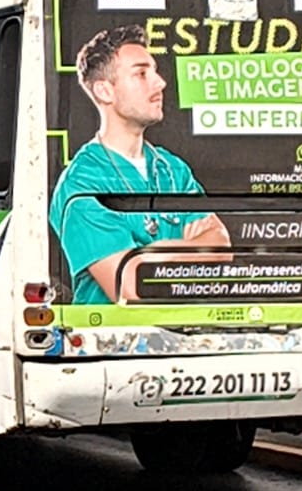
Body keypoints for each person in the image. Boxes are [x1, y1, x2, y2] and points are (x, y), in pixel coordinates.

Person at [49, 24, 229, 305]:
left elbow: (221, 247)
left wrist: (152, 252)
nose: (160, 83)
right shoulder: (81, 183)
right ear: (104, 91)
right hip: (108, 344)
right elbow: (130, 285)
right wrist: (192, 247)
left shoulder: (172, 170)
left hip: (181, 338)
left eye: (154, 72)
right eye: (142, 74)